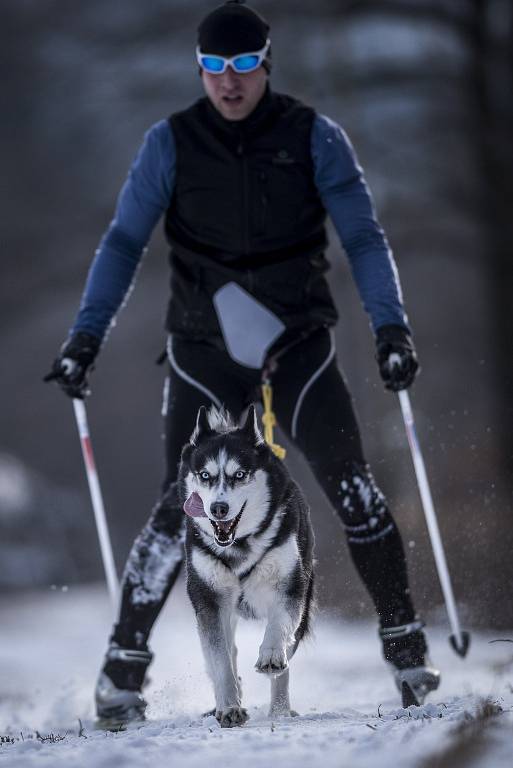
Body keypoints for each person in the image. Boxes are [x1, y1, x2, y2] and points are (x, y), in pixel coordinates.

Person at [46, 0, 440, 723]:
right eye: (214, 68)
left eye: (242, 66)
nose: (228, 83)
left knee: (350, 488)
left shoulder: (314, 136)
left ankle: (406, 648)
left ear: (265, 64)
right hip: (204, 346)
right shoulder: (169, 143)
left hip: (296, 342)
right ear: (199, 68)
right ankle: (123, 672)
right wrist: (84, 338)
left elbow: (363, 237)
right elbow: (122, 243)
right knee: (181, 503)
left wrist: (391, 328)